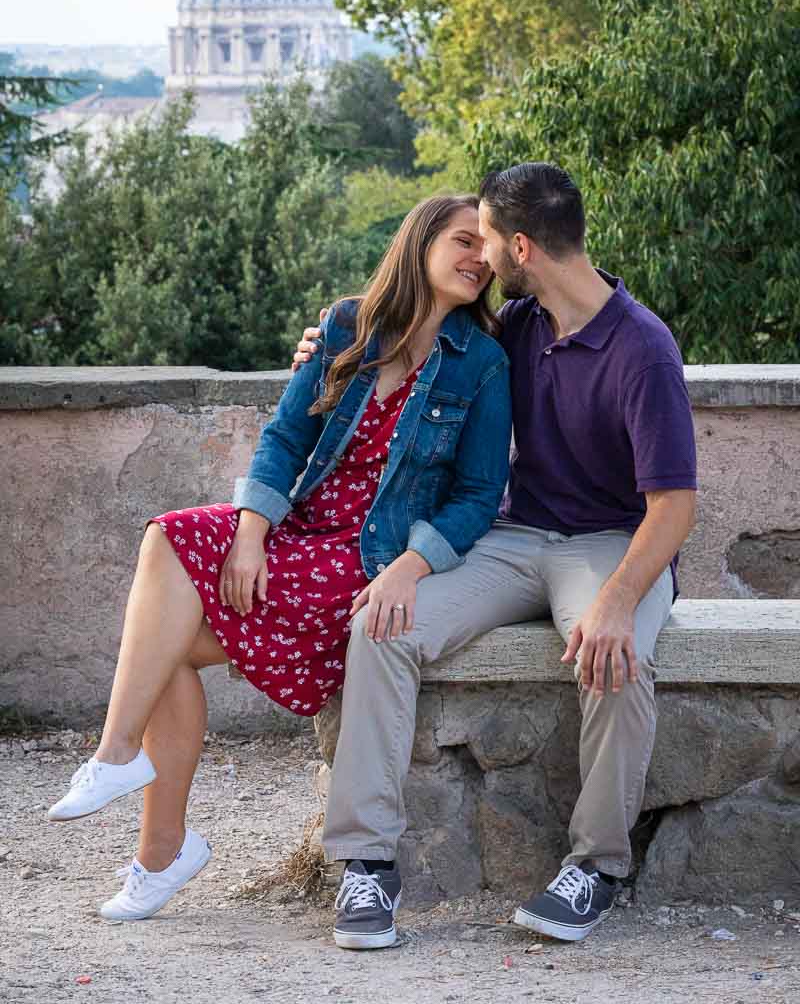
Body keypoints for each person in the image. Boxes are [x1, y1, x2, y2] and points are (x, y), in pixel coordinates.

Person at [47, 193, 512, 933]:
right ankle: (128, 779)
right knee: (168, 538)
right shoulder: (347, 325)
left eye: (485, 250)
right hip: (300, 532)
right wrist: (252, 532)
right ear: (420, 239)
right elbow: (285, 437)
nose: (478, 260)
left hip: (370, 558)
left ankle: (154, 831)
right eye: (463, 241)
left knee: (163, 650)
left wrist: (411, 567)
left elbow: (479, 495)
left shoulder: (482, 362)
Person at [292, 162, 697, 946]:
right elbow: (403, 339)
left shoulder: (642, 349)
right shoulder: (516, 328)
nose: (480, 259)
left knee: (614, 658)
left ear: (522, 248)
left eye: (487, 242)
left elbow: (674, 506)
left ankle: (597, 866)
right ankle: (366, 867)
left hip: (610, 545)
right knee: (383, 621)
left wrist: (616, 602)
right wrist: (328, 338)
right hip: (511, 539)